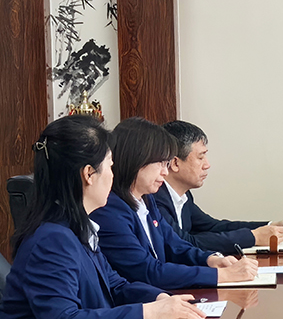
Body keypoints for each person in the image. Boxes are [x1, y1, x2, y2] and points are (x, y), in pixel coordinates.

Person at [0, 116, 206, 319]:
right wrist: (149, 313)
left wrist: (160, 299)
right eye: (110, 166)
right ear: (89, 174)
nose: (114, 176)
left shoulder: (77, 228)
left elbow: (116, 286)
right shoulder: (52, 240)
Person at [92, 118, 258, 289]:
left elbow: (175, 245)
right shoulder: (109, 211)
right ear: (136, 161)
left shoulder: (146, 200)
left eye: (167, 164)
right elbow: (147, 271)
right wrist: (220, 275)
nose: (165, 172)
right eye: (160, 163)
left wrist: (211, 260)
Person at [153, 120, 283, 255]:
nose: (207, 165)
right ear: (175, 163)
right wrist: (254, 237)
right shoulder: (156, 199)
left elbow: (213, 226)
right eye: (201, 157)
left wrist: (271, 227)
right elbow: (184, 242)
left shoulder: (183, 195)